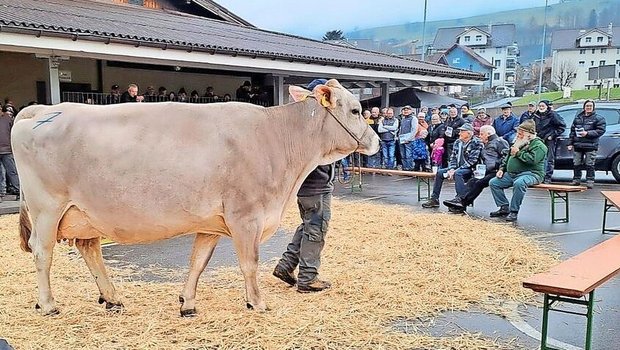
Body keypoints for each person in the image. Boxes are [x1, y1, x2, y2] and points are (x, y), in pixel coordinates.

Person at [273, 78, 333, 293]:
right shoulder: (314, 125)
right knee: (316, 228)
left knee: (308, 224)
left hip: (305, 186)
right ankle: (308, 279)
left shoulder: (298, 123)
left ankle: (286, 266)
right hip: (315, 185)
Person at [488, 119, 547, 222]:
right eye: (518, 132)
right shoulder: (518, 142)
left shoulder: (539, 145)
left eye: (521, 133)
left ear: (529, 134)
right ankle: (504, 207)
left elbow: (533, 160)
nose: (518, 134)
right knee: (494, 183)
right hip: (512, 174)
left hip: (532, 173)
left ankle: (514, 211)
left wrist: (518, 154)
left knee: (519, 183)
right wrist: (502, 168)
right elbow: (507, 157)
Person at [443, 125, 509, 213]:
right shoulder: (486, 143)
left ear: (488, 134)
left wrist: (499, 167)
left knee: (479, 183)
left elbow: (506, 156)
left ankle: (462, 203)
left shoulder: (499, 142)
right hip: (487, 170)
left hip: (497, 171)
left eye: (482, 134)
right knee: (472, 181)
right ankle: (460, 200)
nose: (479, 136)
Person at [422, 123, 482, 208]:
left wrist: (455, 171)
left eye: (462, 131)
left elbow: (472, 161)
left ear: (469, 133)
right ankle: (434, 199)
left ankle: (460, 199)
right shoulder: (457, 142)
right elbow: (453, 158)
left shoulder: (476, 143)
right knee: (439, 173)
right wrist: (452, 169)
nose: (459, 133)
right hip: (457, 168)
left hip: (470, 169)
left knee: (458, 173)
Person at [567, 100, 606, 188]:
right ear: (584, 107)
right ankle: (576, 180)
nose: (588, 108)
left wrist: (587, 133)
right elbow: (572, 131)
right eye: (587, 106)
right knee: (576, 163)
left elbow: (601, 130)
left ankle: (590, 180)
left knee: (590, 164)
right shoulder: (578, 118)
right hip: (578, 144)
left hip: (591, 145)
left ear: (593, 107)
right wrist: (570, 143)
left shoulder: (599, 118)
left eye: (590, 106)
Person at [533, 100, 566, 184]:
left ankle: (547, 177)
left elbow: (562, 126)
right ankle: (539, 176)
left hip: (549, 139)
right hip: (538, 139)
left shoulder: (553, 115)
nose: (541, 108)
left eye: (543, 106)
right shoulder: (536, 115)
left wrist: (552, 136)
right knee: (538, 158)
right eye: (540, 106)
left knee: (549, 159)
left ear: (547, 107)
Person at [0, 105, 19, 201]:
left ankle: (18, 189)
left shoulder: (7, 119)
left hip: (7, 149)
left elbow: (13, 131)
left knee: (12, 171)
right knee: (1, 173)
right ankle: (1, 192)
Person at [397, 105, 417, 171]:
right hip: (402, 139)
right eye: (404, 110)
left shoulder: (413, 118)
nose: (406, 111)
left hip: (409, 140)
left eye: (407, 109)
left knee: (409, 155)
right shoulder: (403, 118)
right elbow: (401, 129)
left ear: (411, 111)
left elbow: (414, 130)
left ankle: (410, 169)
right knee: (403, 155)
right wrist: (398, 136)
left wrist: (409, 139)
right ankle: (405, 168)